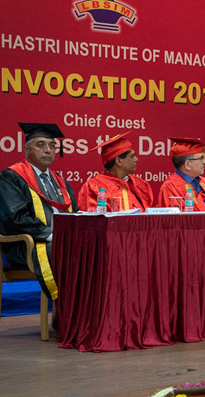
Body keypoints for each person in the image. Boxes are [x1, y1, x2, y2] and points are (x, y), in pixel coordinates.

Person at [0, 123, 78, 300]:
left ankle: (80, 313)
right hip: (26, 245)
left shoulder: (61, 182)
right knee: (70, 251)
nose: (48, 150)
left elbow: (75, 213)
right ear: (27, 150)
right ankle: (67, 312)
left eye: (52, 146)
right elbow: (16, 218)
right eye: (40, 145)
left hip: (58, 240)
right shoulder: (12, 177)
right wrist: (53, 234)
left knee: (91, 249)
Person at [77, 131, 153, 211]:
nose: (136, 159)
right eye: (132, 156)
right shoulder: (94, 188)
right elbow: (92, 220)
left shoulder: (140, 185)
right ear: (119, 161)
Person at [156, 137, 205, 211]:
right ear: (188, 164)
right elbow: (176, 219)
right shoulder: (170, 187)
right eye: (201, 158)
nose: (204, 162)